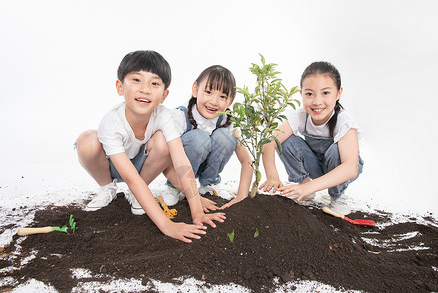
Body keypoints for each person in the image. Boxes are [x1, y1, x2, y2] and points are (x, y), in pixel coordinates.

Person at [75, 50, 225, 243]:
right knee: (87, 140)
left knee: (164, 142)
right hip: (111, 165)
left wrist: (196, 209)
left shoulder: (163, 116)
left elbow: (180, 160)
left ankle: (137, 196)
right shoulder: (111, 123)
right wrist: (167, 225)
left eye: (154, 83)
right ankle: (107, 188)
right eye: (136, 80)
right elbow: (130, 177)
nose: (145, 89)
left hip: (141, 168)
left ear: (164, 95)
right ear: (120, 87)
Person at [260, 61, 364, 215]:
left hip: (339, 169)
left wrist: (311, 185)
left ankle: (337, 196)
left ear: (339, 93)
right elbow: (269, 142)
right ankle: (303, 188)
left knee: (336, 151)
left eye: (325, 93)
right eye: (309, 94)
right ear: (301, 94)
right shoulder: (301, 116)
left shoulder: (344, 123)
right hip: (314, 165)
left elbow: (350, 168)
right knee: (286, 140)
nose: (317, 101)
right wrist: (272, 175)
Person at [166, 65, 253, 210]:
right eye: (208, 92)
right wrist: (192, 194)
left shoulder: (226, 120)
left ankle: (208, 183)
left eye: (223, 96)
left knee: (226, 137)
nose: (214, 101)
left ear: (230, 101)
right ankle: (174, 189)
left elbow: (246, 160)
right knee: (199, 139)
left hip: (204, 168)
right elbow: (165, 162)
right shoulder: (179, 116)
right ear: (195, 89)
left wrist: (241, 196)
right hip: (178, 174)